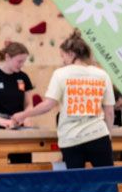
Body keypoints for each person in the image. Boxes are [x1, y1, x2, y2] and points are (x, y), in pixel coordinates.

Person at [12, 31, 115, 169]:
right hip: (98, 135)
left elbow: (48, 105)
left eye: (63, 56)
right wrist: (108, 134)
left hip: (71, 138)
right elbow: (109, 112)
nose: (63, 60)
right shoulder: (102, 74)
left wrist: (23, 114)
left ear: (71, 54)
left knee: (75, 181)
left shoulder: (61, 74)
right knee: (107, 178)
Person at [0, 41, 35, 129]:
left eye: (24, 61)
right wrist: (0, 121)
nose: (22, 65)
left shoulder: (23, 77)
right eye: (19, 61)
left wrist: (26, 117)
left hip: (16, 125)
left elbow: (29, 104)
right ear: (7, 57)